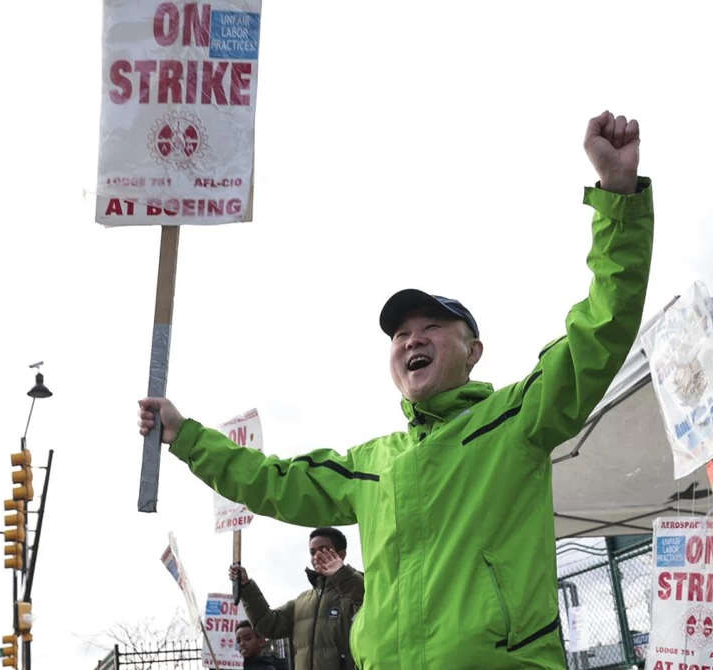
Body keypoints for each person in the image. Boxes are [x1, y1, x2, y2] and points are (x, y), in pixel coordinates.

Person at [138, 110, 654, 669]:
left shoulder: (517, 419)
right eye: (401, 334)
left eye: (432, 328)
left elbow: (599, 332)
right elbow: (273, 482)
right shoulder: (371, 464)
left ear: (473, 351)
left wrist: (618, 202)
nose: (413, 340)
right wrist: (186, 436)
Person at [230, 527, 365, 670]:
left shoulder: (358, 589)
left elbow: (369, 606)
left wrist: (342, 573)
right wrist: (246, 586)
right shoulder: (302, 602)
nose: (317, 556)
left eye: (323, 549)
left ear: (341, 554)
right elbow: (268, 625)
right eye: (312, 552)